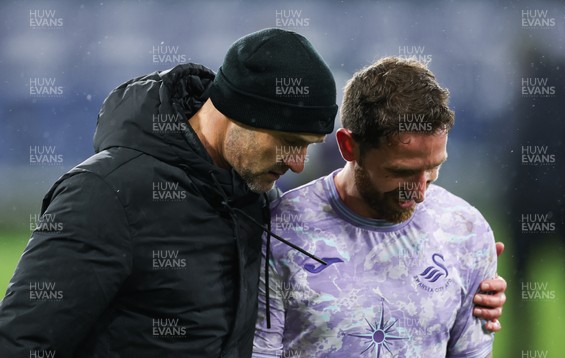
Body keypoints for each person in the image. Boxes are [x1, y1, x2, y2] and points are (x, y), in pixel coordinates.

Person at [0, 28, 338, 357]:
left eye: (309, 147)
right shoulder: (107, 194)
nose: (298, 164)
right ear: (238, 113)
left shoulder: (253, 201)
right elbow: (23, 342)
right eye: (289, 143)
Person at [252, 57, 505, 358]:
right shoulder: (280, 230)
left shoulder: (466, 231)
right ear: (349, 147)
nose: (420, 192)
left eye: (433, 169)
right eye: (401, 172)